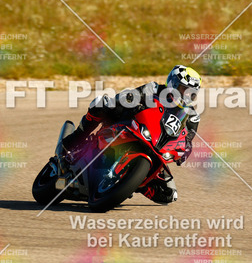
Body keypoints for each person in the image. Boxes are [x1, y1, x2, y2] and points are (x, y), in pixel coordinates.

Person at [62, 65, 202, 203]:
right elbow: (132, 95)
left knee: (170, 194)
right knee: (100, 104)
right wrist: (128, 99)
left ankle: (135, 183)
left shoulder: (192, 116)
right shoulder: (154, 89)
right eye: (184, 89)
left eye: (191, 93)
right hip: (131, 124)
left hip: (157, 147)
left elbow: (188, 139)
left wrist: (186, 150)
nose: (187, 95)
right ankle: (76, 138)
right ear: (173, 83)